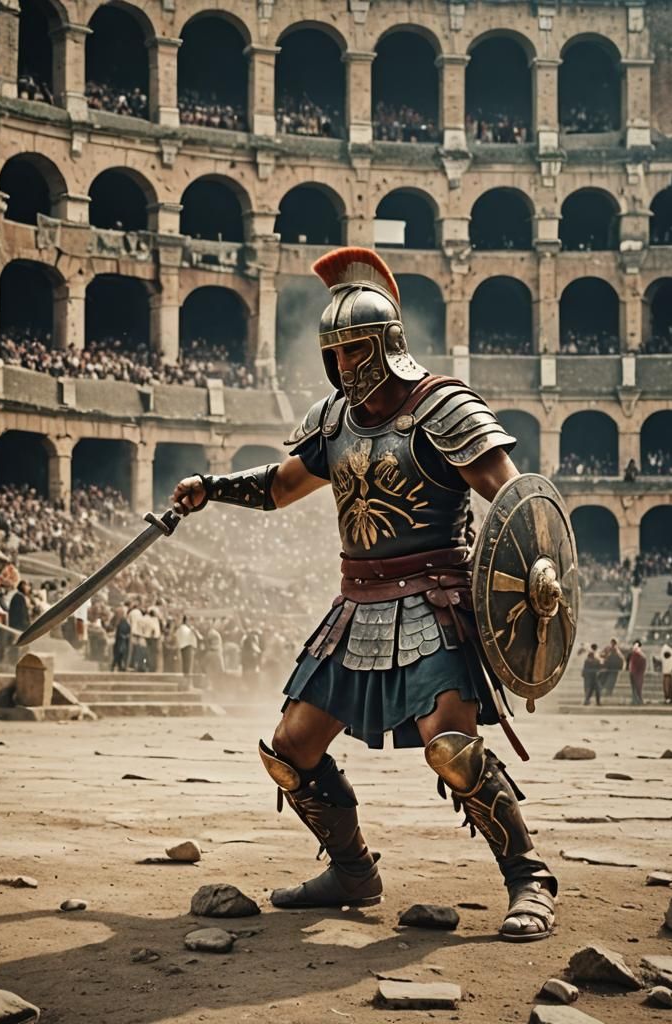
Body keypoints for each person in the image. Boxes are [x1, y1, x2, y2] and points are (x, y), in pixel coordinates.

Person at [170, 246, 558, 941]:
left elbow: (516, 500)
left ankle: (528, 877)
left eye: (355, 350)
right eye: (336, 353)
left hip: (436, 601)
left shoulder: (443, 406)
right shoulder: (334, 419)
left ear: (387, 345)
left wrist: (536, 577)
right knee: (289, 748)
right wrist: (213, 490)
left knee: (453, 748)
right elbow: (283, 486)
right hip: (358, 605)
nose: (345, 366)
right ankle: (352, 872)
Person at [176, 615, 198, 679]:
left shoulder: (180, 629)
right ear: (186, 621)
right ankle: (188, 684)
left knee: (185, 668)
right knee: (188, 668)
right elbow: (199, 638)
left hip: (183, 648)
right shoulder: (188, 629)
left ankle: (185, 682)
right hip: (188, 648)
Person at [628, 640, 646, 706]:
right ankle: (636, 700)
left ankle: (637, 700)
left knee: (637, 688)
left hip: (636, 673)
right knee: (636, 688)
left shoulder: (637, 654)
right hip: (635, 673)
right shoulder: (638, 654)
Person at [659, 639, 672, 704]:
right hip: (667, 672)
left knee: (667, 686)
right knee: (667, 686)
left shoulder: (666, 650)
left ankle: (669, 698)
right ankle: (668, 698)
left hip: (667, 672)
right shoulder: (669, 651)